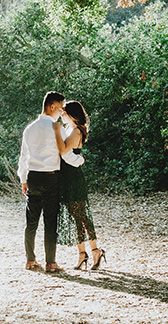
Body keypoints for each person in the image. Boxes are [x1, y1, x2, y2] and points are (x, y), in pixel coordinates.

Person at [17, 91, 84, 272]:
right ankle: (51, 263)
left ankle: (30, 260)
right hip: (51, 176)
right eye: (61, 108)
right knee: (50, 221)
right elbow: (66, 154)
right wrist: (81, 160)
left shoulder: (29, 129)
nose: (62, 112)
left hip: (33, 176)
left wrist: (23, 179)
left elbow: (24, 157)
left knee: (31, 221)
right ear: (52, 106)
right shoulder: (58, 128)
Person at [55, 100, 106, 270]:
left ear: (72, 114)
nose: (61, 114)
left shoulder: (76, 130)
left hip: (73, 177)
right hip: (67, 176)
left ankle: (95, 251)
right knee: (77, 217)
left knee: (82, 217)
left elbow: (63, 151)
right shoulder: (71, 129)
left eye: (64, 112)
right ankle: (83, 253)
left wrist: (56, 130)